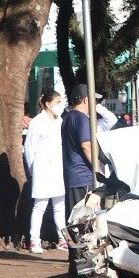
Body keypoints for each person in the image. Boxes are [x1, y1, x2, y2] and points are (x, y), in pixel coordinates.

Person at [23, 90, 68, 254]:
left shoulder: (59, 121)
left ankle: (63, 239)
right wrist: (33, 170)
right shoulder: (38, 122)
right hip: (41, 169)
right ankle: (34, 240)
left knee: (59, 205)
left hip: (57, 168)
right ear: (48, 104)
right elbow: (29, 149)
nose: (60, 106)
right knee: (40, 205)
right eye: (57, 102)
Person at [61, 84, 96, 217]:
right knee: (84, 217)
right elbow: (86, 145)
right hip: (83, 176)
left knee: (75, 217)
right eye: (93, 99)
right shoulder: (81, 118)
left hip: (72, 175)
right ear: (86, 100)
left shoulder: (67, 118)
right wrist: (97, 168)